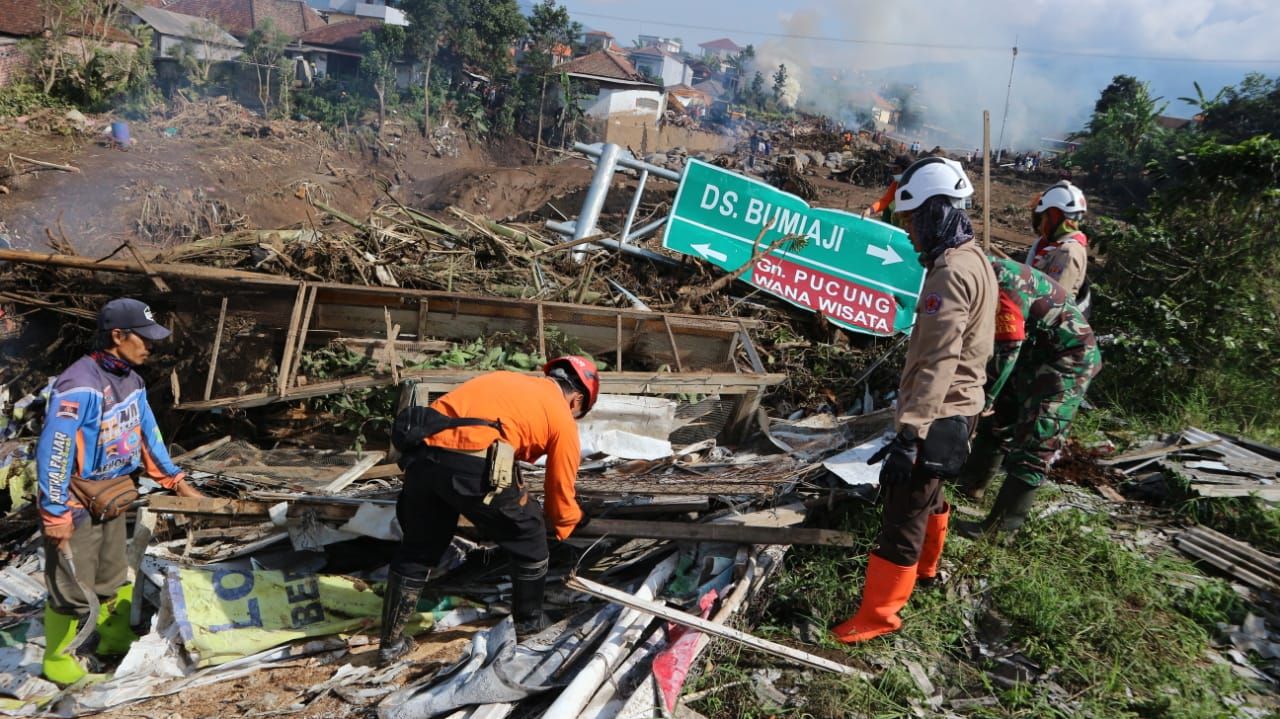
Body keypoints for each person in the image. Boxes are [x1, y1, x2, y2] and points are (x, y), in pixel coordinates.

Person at [831, 157, 997, 643]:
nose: (909, 233)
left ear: (936, 212)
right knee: (934, 495)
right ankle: (927, 570)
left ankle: (878, 618)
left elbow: (939, 360)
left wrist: (910, 432)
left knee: (902, 516)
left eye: (912, 220)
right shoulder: (975, 259)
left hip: (938, 413)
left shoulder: (949, 273)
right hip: (962, 411)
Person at [379, 356, 600, 665]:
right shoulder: (562, 418)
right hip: (473, 463)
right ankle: (528, 628)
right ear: (577, 399)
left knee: (419, 548)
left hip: (422, 458)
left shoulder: (503, 379)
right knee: (530, 536)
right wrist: (572, 520)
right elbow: (559, 492)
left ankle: (390, 643)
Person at [37, 298, 205, 685]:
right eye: (143, 338)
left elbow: (148, 436)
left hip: (112, 495)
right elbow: (55, 453)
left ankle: (112, 639)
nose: (150, 346)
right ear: (118, 335)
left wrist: (177, 482)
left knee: (112, 575)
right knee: (70, 586)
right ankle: (58, 659)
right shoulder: (79, 386)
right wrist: (55, 514)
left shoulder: (133, 380)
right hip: (75, 502)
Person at [955, 258, 1101, 534]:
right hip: (1035, 353)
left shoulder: (1004, 283)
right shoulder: (978, 276)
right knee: (1000, 419)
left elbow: (1008, 346)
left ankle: (1001, 531)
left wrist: (983, 397)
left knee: (1038, 438)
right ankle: (970, 486)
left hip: (1069, 358)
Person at [1026, 180, 1091, 316]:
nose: (1040, 224)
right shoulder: (1058, 246)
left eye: (1044, 217)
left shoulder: (1067, 251)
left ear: (1055, 217)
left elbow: (1053, 303)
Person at [863, 154, 912, 223]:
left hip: (912, 220)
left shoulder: (914, 186)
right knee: (888, 207)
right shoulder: (896, 184)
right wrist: (870, 210)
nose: (893, 171)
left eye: (896, 169)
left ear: (905, 170)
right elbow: (885, 201)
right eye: (893, 168)